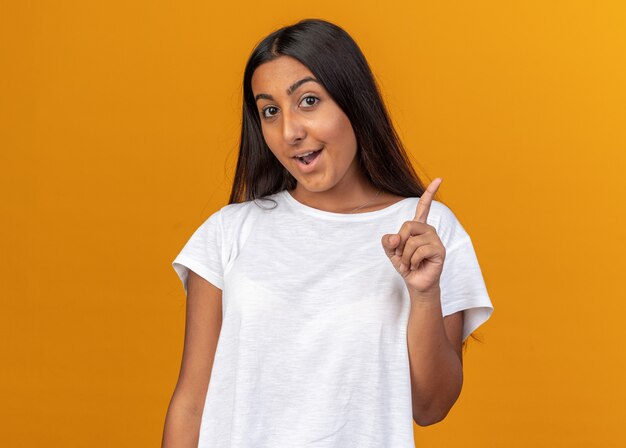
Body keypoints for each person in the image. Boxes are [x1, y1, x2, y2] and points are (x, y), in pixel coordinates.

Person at [162, 18, 493, 448]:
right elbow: (191, 404)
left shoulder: (425, 231)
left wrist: (424, 294)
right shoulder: (228, 233)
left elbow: (431, 407)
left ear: (352, 101)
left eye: (309, 101)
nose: (290, 132)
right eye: (270, 111)